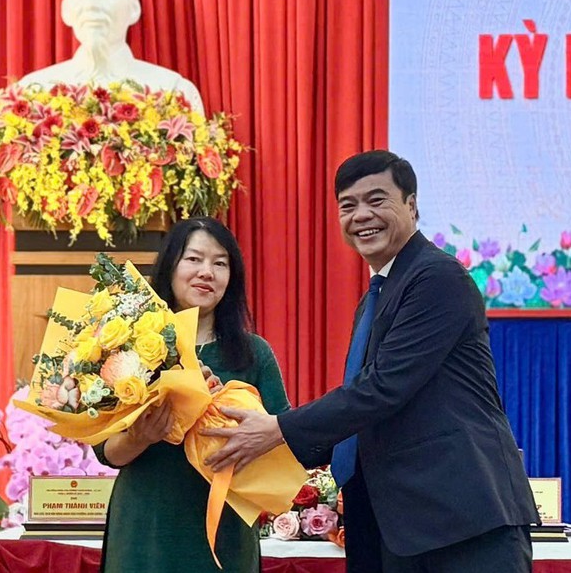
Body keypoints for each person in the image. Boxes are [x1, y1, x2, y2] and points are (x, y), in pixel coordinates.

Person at [203, 151, 539, 572]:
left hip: (460, 521)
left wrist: (277, 430)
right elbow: (366, 411)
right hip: (396, 525)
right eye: (348, 205)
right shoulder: (376, 297)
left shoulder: (437, 277)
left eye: (377, 200)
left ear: (412, 205)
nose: (361, 215)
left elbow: (383, 388)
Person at [92, 216, 290, 573]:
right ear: (170, 266)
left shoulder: (253, 353)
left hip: (224, 531)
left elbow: (283, 438)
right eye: (194, 259)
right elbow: (105, 452)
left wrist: (225, 411)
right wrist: (141, 437)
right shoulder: (127, 346)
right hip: (146, 527)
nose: (206, 272)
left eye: (220, 263)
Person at [18, 0, 205, 112]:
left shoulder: (173, 92)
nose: (91, 5)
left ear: (133, 9)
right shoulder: (32, 93)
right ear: (66, 10)